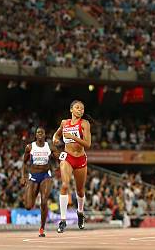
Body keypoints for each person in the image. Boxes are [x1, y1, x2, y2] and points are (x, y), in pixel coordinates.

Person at [52, 100, 92, 233]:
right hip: (67, 156)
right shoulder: (64, 123)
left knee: (80, 190)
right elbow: (57, 134)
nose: (80, 110)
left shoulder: (84, 124)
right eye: (77, 108)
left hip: (80, 158)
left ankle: (80, 213)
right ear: (71, 110)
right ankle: (63, 220)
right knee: (64, 185)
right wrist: (55, 138)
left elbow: (87, 144)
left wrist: (73, 137)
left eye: (82, 108)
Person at [21, 127, 61, 237]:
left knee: (44, 202)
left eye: (42, 132)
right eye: (38, 132)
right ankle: (32, 194)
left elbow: (59, 157)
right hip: (33, 176)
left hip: (45, 176)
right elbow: (24, 163)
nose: (40, 134)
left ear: (44, 135)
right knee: (28, 206)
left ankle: (42, 228)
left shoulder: (50, 147)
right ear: (35, 135)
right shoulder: (30, 147)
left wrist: (58, 164)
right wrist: (23, 177)